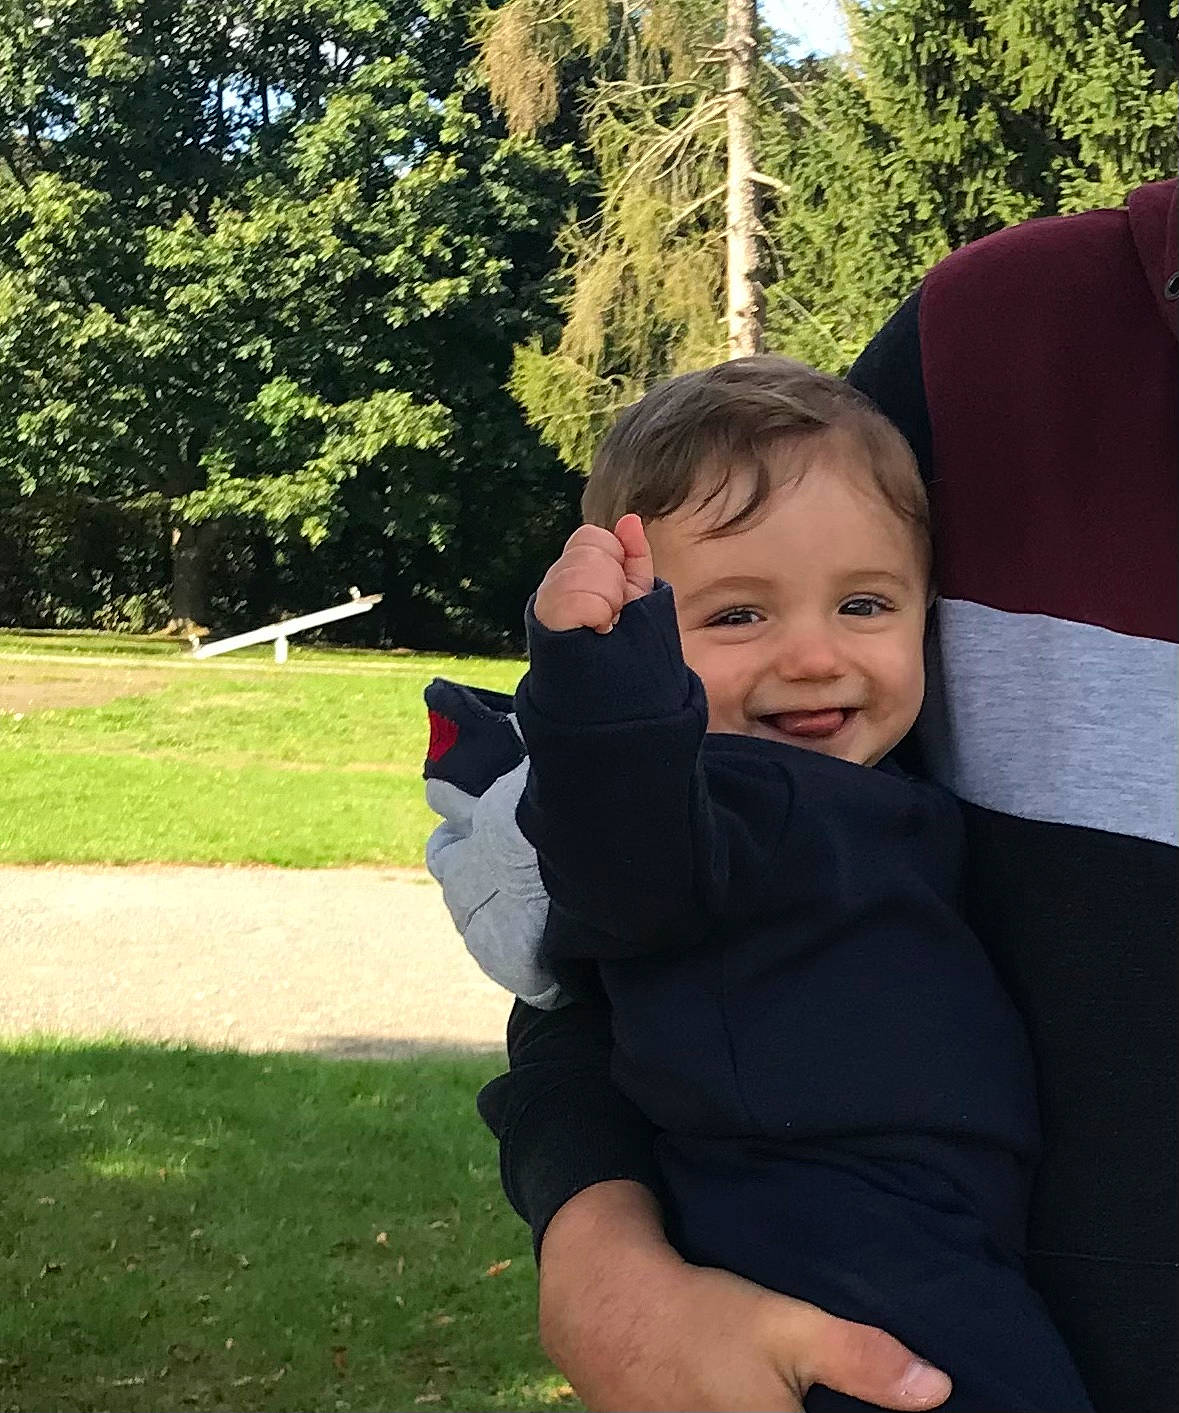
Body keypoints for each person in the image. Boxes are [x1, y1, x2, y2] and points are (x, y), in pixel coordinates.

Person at [429, 179, 1178, 1413]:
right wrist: (598, 691)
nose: (818, 655)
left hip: (937, 1225)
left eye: (868, 608)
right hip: (822, 1234)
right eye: (736, 617)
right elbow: (604, 897)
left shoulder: (860, 794)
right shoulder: (728, 795)